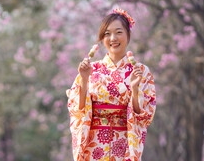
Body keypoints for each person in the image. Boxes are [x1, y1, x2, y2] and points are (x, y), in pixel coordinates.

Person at [66, 8, 156, 161]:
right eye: (107, 34)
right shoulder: (90, 69)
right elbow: (77, 111)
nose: (113, 38)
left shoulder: (141, 71)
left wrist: (135, 90)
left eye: (118, 32)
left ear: (128, 35)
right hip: (94, 145)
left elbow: (145, 116)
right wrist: (84, 80)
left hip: (124, 143)